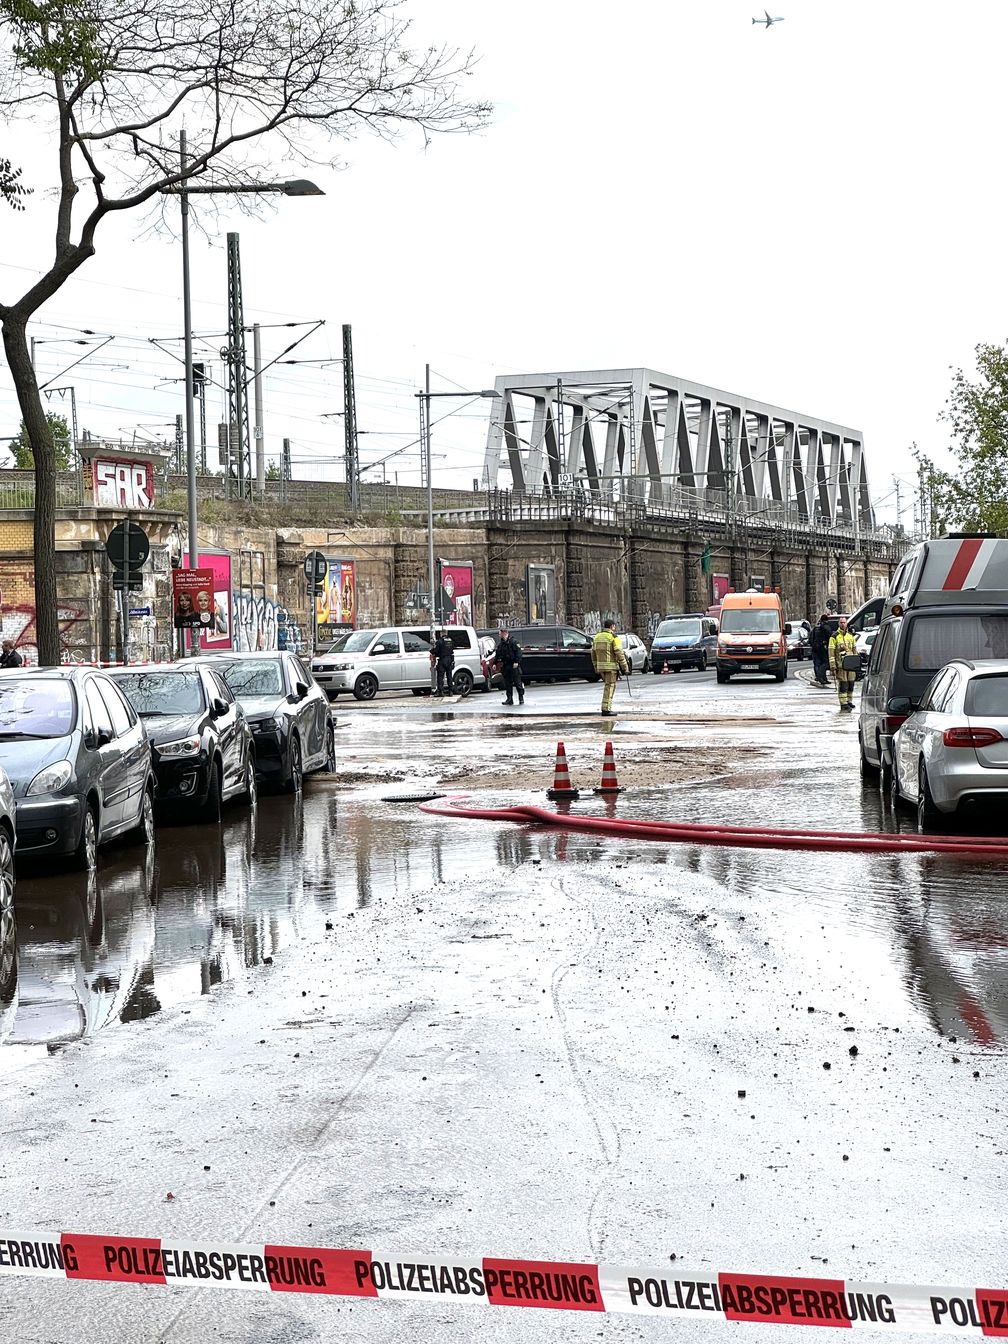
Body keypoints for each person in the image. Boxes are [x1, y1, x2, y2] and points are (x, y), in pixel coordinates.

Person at [591, 619, 628, 715]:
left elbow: (593, 653)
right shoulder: (613, 637)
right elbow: (619, 653)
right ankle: (606, 709)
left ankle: (605, 708)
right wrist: (625, 667)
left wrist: (596, 666)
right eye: (614, 627)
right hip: (611, 667)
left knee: (607, 687)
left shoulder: (597, 637)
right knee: (610, 687)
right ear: (612, 626)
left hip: (600, 667)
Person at [829, 615, 858, 712]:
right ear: (838, 624)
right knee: (843, 685)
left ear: (846, 623)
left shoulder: (851, 636)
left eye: (844, 622)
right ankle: (843, 703)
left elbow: (854, 650)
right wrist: (833, 666)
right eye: (841, 622)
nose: (843, 624)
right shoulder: (834, 637)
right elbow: (831, 652)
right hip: (840, 665)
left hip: (851, 665)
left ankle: (849, 701)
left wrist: (856, 663)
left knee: (851, 684)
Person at [493, 628, 524, 706]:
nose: (499, 635)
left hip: (513, 665)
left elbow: (519, 653)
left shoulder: (513, 642)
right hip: (506, 665)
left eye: (500, 634)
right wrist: (495, 663)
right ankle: (509, 699)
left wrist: (517, 661)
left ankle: (521, 698)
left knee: (517, 683)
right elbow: (498, 654)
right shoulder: (501, 644)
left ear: (504, 633)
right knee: (507, 683)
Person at [430, 629, 455, 697]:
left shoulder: (440, 641)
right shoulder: (450, 640)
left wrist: (431, 651)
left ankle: (440, 691)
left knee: (440, 676)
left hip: (443, 660)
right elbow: (452, 649)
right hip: (450, 659)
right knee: (449, 676)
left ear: (441, 633)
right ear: (446, 633)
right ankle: (450, 691)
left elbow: (436, 650)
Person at [810, 614, 831, 688]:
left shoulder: (816, 627)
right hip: (823, 648)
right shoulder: (826, 627)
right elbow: (830, 637)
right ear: (826, 620)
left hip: (815, 648)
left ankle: (821, 678)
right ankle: (821, 677)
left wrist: (813, 645)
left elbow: (810, 638)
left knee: (817, 663)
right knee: (825, 663)